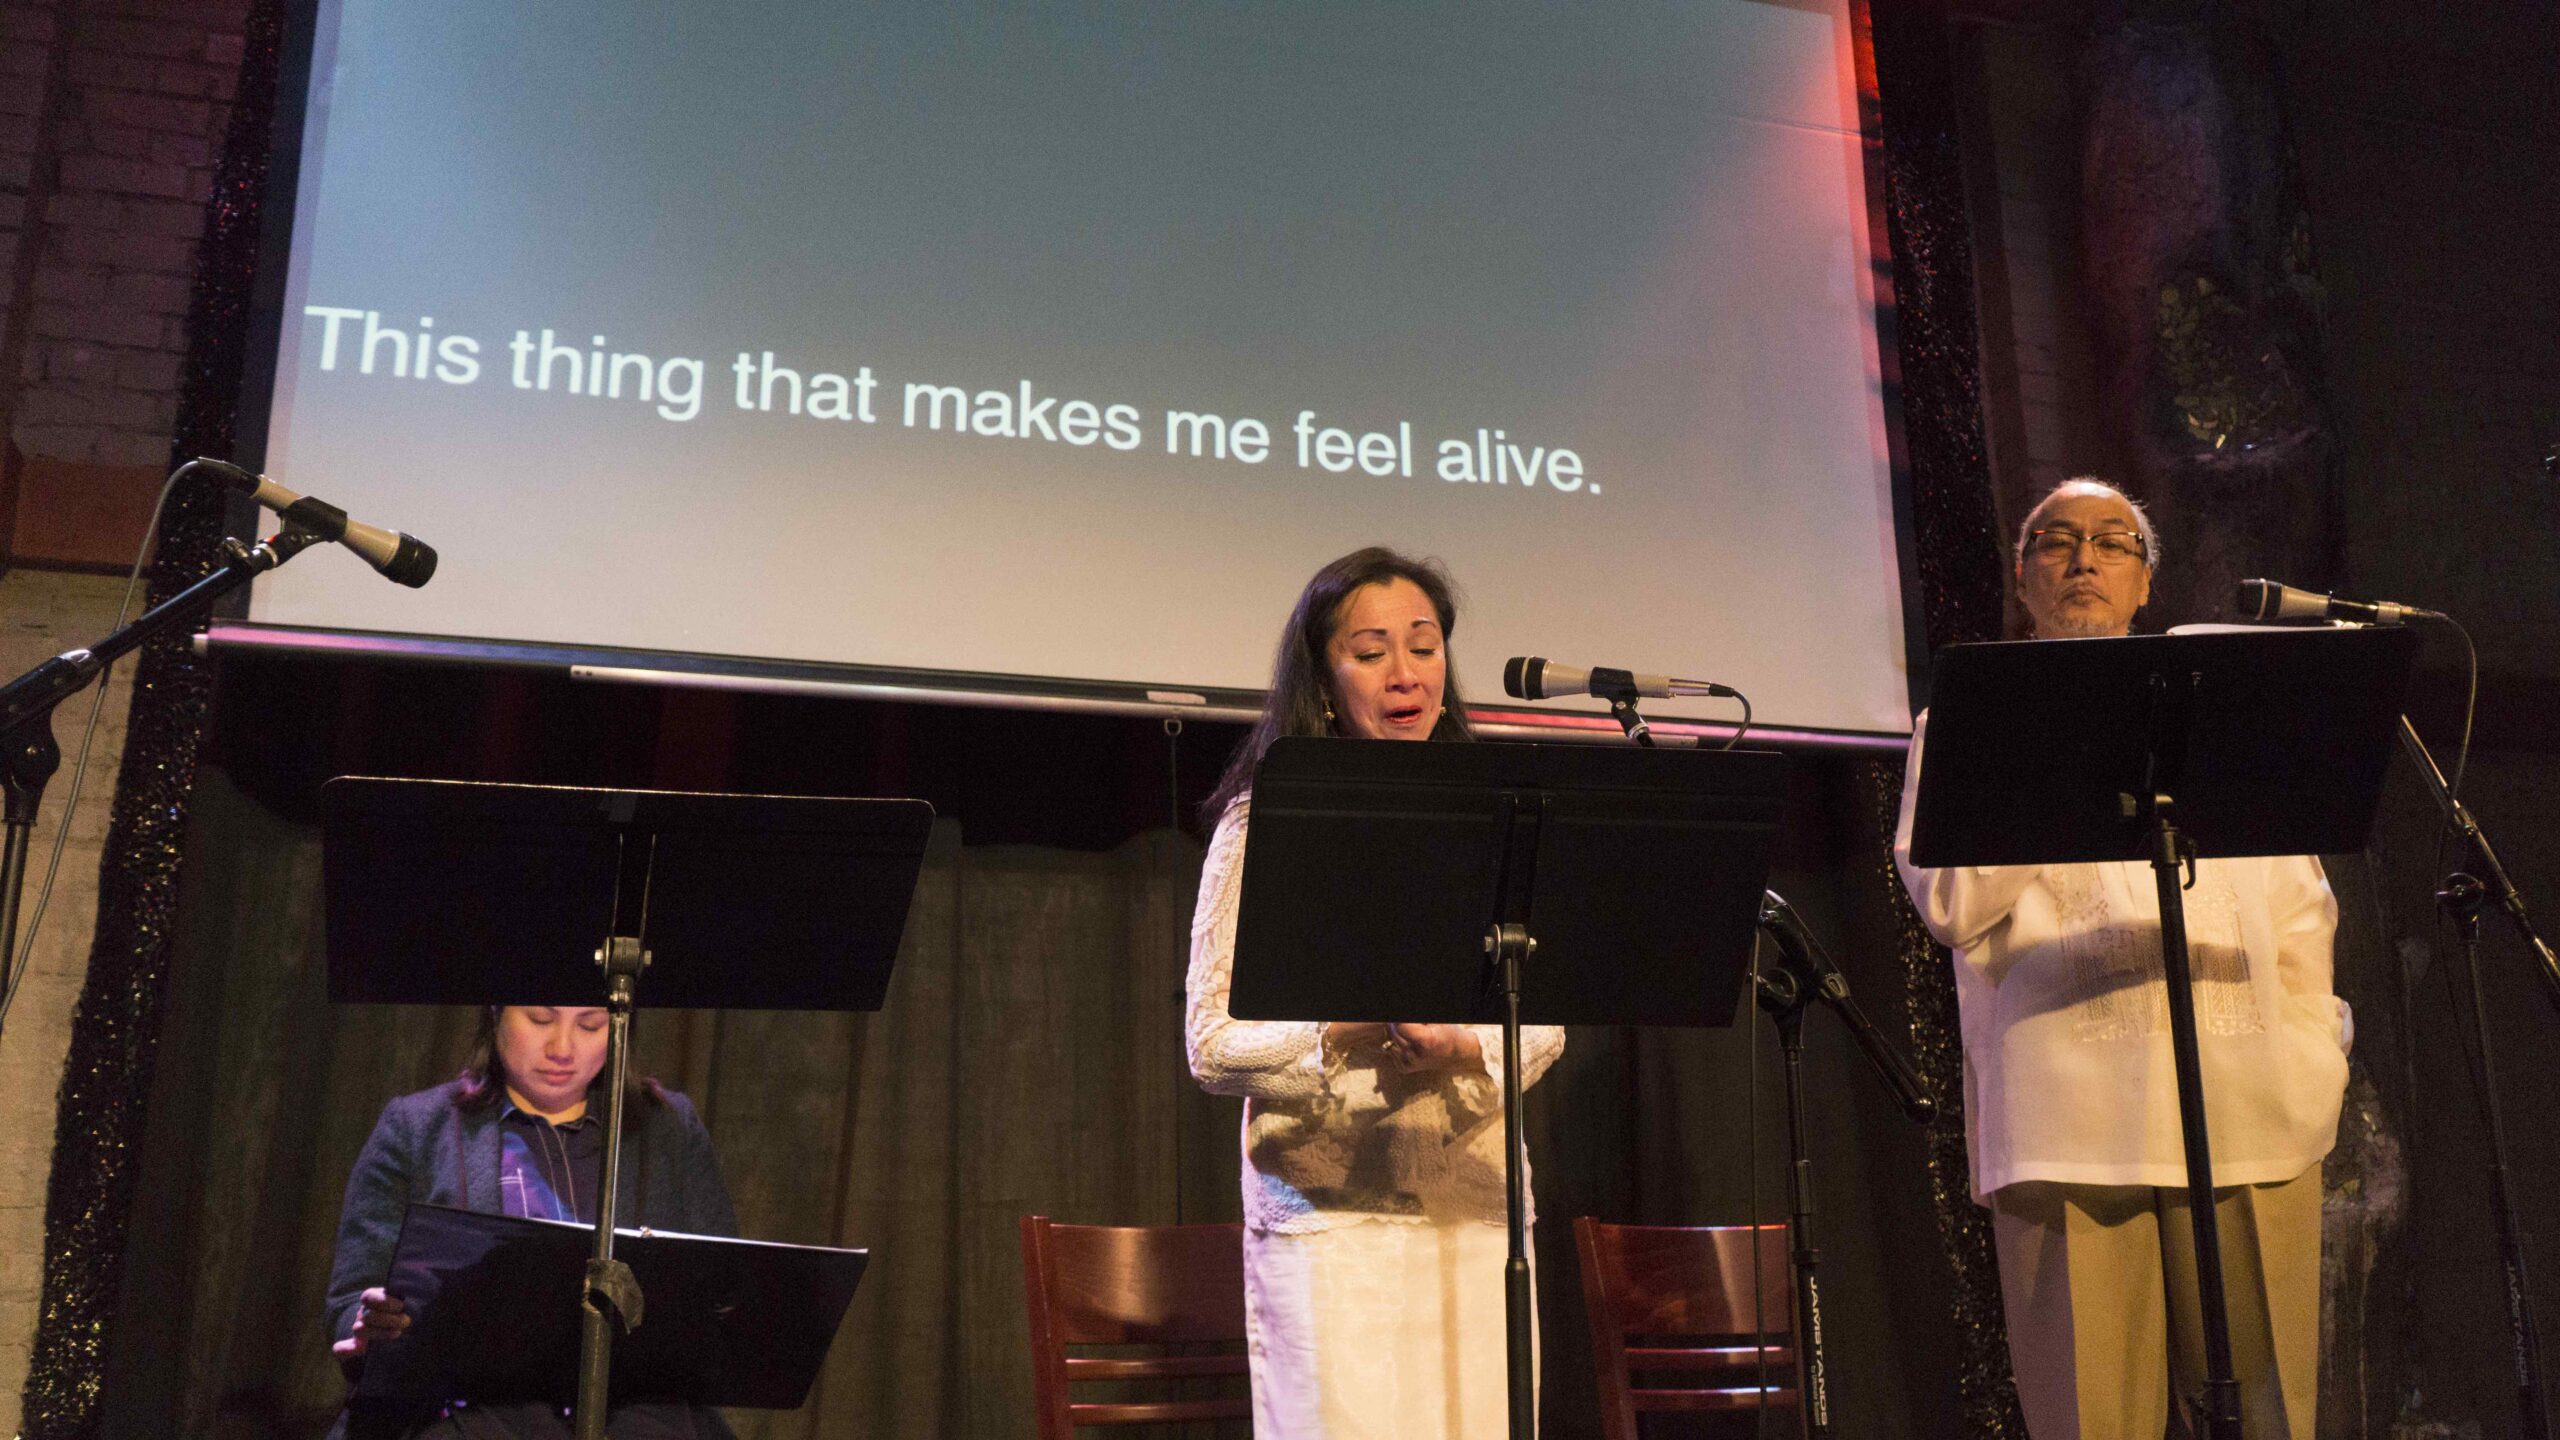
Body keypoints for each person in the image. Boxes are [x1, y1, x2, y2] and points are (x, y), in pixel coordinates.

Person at [1893, 478, 2349, 1440]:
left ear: (2146, 584)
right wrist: (2053, 732)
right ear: (2023, 584)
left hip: (2253, 1119)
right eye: (2056, 543)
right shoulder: (1969, 718)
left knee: (2273, 1417)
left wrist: (2316, 1064)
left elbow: (2303, 916)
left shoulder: (2224, 714)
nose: (2085, 559)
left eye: (2113, 543)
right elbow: (1951, 903)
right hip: (2071, 1133)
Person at [1185, 546, 1566, 1440]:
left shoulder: (1503, 813)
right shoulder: (1264, 821)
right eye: (1371, 651)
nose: (1406, 673)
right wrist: (1343, 1030)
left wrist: (1465, 1044)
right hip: (1330, 1228)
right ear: (1324, 679)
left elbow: (1546, 1025)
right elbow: (1210, 1044)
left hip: (1476, 1217)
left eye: (1424, 646)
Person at [322, 1005, 739, 1439]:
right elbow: (352, 1297)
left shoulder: (670, 1128)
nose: (562, 1048)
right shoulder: (416, 1127)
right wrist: (371, 1328)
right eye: (541, 1019)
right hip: (460, 1412)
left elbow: (722, 1291)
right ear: (496, 1014)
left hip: (634, 1416)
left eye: (590, 1024)